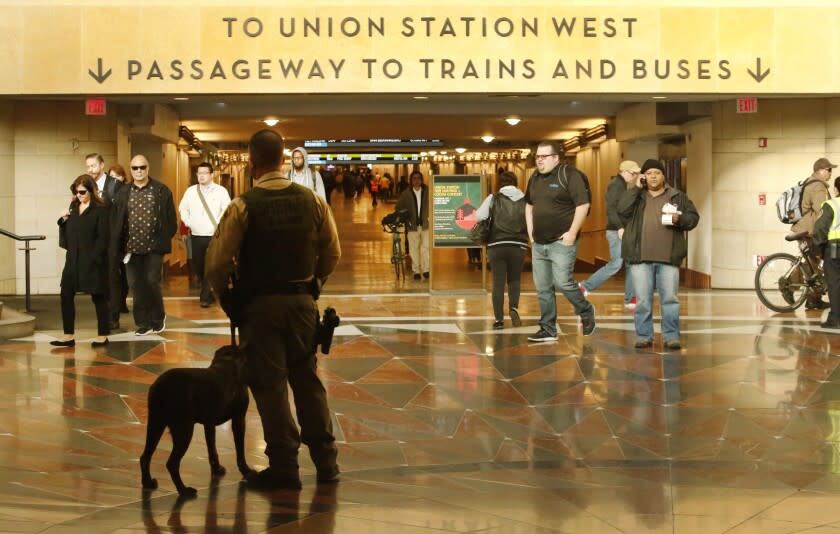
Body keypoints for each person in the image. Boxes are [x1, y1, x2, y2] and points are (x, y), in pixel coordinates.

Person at [206, 129, 341, 490]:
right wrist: (315, 283)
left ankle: (285, 466)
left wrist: (227, 299)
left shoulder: (243, 205)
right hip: (302, 305)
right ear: (284, 159)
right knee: (308, 382)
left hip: (259, 308)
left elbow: (217, 263)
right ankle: (326, 463)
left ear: (251, 163)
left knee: (270, 387)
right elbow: (332, 251)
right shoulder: (313, 201)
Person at [617, 158, 700, 350]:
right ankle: (644, 335)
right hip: (640, 257)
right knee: (643, 300)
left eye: (657, 172)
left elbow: (693, 218)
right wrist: (636, 188)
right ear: (644, 176)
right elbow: (622, 210)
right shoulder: (636, 196)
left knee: (670, 298)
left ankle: (671, 336)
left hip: (668, 258)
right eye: (649, 173)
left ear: (663, 176)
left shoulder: (677, 196)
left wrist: (680, 218)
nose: (653, 176)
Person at [524, 141, 596, 341]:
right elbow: (529, 206)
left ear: (556, 158)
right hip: (539, 243)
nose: (539, 160)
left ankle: (586, 310)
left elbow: (583, 205)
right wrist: (531, 234)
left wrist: (572, 233)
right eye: (537, 156)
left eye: (544, 156)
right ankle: (548, 328)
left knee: (563, 282)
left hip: (561, 242)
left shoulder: (570, 176)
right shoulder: (535, 178)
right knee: (543, 287)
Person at [109, 155, 177, 336]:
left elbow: (171, 221)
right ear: (130, 170)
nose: (139, 171)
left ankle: (157, 317)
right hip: (131, 249)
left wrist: (162, 239)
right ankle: (143, 323)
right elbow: (116, 221)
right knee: (135, 285)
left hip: (154, 247)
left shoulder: (161, 190)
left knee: (151, 281)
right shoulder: (123, 192)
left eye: (142, 167)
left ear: (148, 168)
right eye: (135, 168)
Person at [51, 175, 111, 347]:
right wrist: (63, 219)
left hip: (92, 260)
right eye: (76, 192)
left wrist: (94, 257)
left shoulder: (100, 210)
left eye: (82, 192)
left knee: (98, 296)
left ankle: (103, 335)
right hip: (73, 259)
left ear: (91, 191)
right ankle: (68, 335)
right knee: (65, 294)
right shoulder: (74, 207)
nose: (79, 195)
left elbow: (103, 238)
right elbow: (68, 230)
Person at [578, 160, 639, 309]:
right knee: (616, 264)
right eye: (633, 173)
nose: (634, 176)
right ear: (624, 171)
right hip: (616, 230)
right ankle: (585, 286)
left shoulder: (622, 185)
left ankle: (631, 298)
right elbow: (611, 209)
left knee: (631, 262)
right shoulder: (616, 185)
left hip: (623, 230)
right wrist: (619, 227)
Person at [475, 171, 528, 329]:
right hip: (518, 245)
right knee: (514, 280)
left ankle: (499, 320)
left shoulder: (493, 198)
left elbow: (478, 217)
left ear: (501, 184)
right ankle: (513, 308)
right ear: (515, 182)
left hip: (496, 245)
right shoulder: (525, 199)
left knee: (498, 283)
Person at [178, 162, 231, 307]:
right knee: (198, 264)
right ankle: (207, 288)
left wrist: (219, 225)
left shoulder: (221, 191)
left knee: (211, 264)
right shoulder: (191, 191)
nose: (201, 176)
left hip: (215, 234)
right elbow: (183, 208)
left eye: (204, 173)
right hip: (196, 234)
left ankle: (205, 295)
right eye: (199, 173)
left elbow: (226, 210)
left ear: (211, 174)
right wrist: (189, 222)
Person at [792, 157, 835, 310]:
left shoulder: (811, 181)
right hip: (809, 230)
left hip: (805, 228)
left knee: (811, 263)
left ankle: (812, 299)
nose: (831, 173)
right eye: (829, 170)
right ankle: (792, 288)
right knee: (814, 263)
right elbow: (821, 211)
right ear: (820, 170)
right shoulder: (818, 186)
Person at [810, 176, 840, 328]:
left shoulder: (831, 204)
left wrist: (817, 249)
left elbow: (820, 228)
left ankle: (836, 319)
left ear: (836, 189)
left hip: (835, 249)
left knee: (835, 283)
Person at [106, 163, 130, 327]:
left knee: (126, 274)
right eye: (112, 177)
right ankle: (116, 308)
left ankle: (121, 301)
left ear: (123, 177)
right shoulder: (105, 194)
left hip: (126, 240)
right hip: (112, 242)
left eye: (117, 176)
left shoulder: (127, 192)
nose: (115, 180)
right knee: (115, 275)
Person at [396, 170, 430, 280]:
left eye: (418, 178)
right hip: (412, 227)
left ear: (421, 180)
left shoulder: (428, 191)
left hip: (426, 225)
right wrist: (406, 217)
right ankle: (416, 270)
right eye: (414, 178)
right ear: (411, 181)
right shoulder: (406, 194)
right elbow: (398, 208)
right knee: (413, 249)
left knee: (426, 248)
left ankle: (426, 270)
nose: (416, 181)